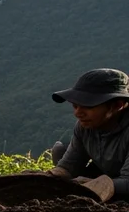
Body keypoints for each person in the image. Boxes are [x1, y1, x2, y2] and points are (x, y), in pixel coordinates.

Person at [48, 68, 129, 198]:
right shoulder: (85, 126)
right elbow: (68, 167)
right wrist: (46, 177)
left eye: (88, 106)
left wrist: (94, 185)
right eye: (75, 106)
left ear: (117, 106)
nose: (77, 113)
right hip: (106, 171)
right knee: (59, 150)